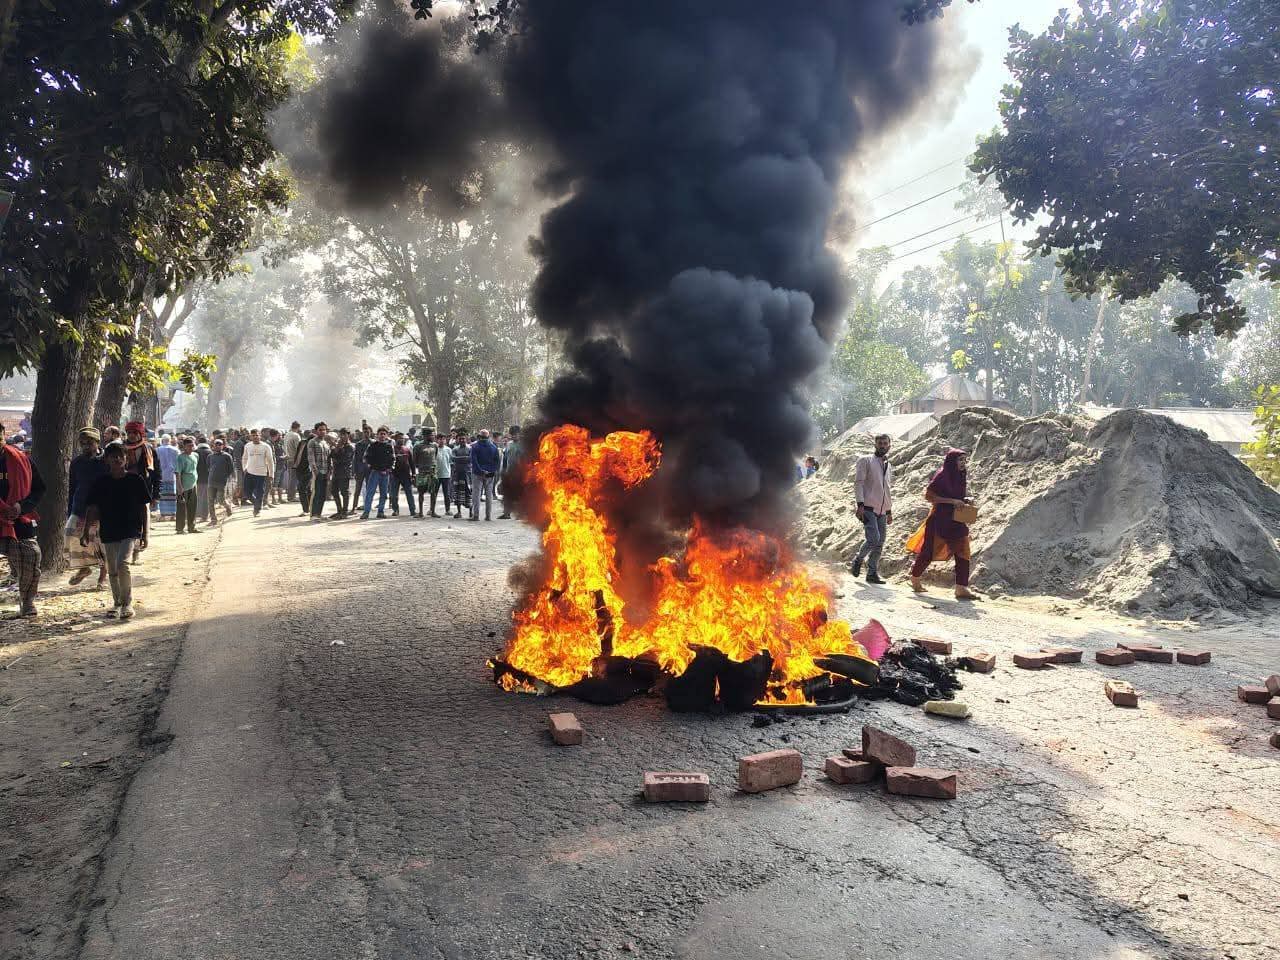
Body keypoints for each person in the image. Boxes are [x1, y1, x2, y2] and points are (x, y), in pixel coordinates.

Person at [83, 442, 151, 620]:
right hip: (109, 530)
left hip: (130, 529)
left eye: (120, 456)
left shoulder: (135, 480)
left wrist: (145, 534)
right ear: (107, 459)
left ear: (126, 459)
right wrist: (85, 532)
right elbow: (92, 508)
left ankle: (127, 603)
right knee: (112, 569)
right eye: (113, 456)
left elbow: (144, 507)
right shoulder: (101, 482)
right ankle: (117, 602)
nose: (117, 459)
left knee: (123, 564)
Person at [907, 448, 978, 600]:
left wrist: (965, 500)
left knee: (963, 550)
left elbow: (956, 495)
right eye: (960, 460)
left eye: (965, 460)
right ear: (952, 461)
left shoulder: (961, 475)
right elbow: (929, 496)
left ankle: (961, 587)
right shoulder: (942, 476)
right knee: (929, 551)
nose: (963, 463)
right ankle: (915, 577)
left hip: (956, 520)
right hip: (940, 519)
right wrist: (952, 501)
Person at [0, 421, 44, 618]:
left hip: (19, 518)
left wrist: (21, 506)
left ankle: (27, 602)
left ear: (3, 437)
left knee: (31, 558)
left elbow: (39, 488)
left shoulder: (22, 459)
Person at [849, 433, 893, 586]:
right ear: (875, 445)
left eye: (885, 443)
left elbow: (887, 489)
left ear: (889, 445)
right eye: (880, 443)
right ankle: (858, 560)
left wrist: (889, 511)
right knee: (873, 538)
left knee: (880, 542)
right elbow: (858, 483)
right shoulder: (865, 460)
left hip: (882, 510)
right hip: (867, 507)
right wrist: (860, 504)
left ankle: (872, 573)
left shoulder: (889, 464)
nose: (882, 445)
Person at [67, 427, 108, 589]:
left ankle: (102, 578)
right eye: (82, 443)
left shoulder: (105, 460)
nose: (85, 446)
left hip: (101, 508)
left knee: (102, 544)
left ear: (97, 442)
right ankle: (84, 568)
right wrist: (70, 509)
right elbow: (72, 486)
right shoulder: (76, 462)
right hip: (79, 506)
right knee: (72, 538)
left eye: (89, 443)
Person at [360, 426, 394, 520]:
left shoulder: (389, 446)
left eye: (384, 434)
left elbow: (392, 459)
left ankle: (380, 512)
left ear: (387, 435)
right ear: (377, 435)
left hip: (385, 473)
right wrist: (371, 466)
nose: (382, 435)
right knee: (370, 492)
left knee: (383, 494)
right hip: (375, 472)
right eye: (380, 434)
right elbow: (366, 458)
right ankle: (366, 512)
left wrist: (389, 468)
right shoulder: (372, 446)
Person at [469, 429, 501, 522]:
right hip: (490, 474)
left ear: (479, 436)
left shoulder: (474, 447)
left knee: (476, 494)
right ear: (488, 436)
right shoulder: (494, 447)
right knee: (489, 495)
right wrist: (491, 471)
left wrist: (481, 470)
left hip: (477, 474)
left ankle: (476, 515)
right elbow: (497, 462)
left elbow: (474, 461)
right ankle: (488, 516)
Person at [240, 428, 274, 517]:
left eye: (257, 435)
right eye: (253, 435)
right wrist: (244, 468)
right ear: (251, 436)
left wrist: (271, 474)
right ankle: (257, 504)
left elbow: (270, 461)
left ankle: (257, 510)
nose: (255, 437)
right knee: (247, 492)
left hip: (261, 473)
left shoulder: (266, 446)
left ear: (260, 436)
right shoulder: (247, 446)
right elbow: (244, 458)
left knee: (259, 492)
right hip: (249, 472)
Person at [207, 438, 235, 525]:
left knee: (220, 500)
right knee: (210, 501)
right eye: (216, 444)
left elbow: (231, 469)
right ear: (213, 446)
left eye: (220, 444)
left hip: (222, 482)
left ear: (223, 446)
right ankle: (213, 519)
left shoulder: (227, 456)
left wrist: (227, 477)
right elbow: (208, 467)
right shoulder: (210, 456)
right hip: (211, 481)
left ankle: (228, 507)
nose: (218, 446)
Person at [307, 422, 332, 521]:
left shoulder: (326, 443)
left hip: (325, 471)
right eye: (320, 430)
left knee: (322, 494)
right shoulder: (312, 442)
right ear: (316, 431)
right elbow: (310, 457)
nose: (322, 431)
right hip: (317, 472)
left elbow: (329, 458)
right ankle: (313, 515)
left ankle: (319, 514)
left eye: (324, 429)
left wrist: (330, 470)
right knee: (316, 493)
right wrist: (314, 469)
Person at [174, 436, 199, 534]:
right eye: (189, 446)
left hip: (193, 484)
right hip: (183, 485)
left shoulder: (196, 455)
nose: (191, 448)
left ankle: (191, 527)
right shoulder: (180, 457)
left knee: (192, 506)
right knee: (181, 507)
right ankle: (180, 528)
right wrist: (179, 487)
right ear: (184, 446)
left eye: (192, 446)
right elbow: (177, 473)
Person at [389, 432, 417, 517]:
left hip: (406, 476)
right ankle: (395, 510)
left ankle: (412, 510)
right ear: (395, 439)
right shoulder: (392, 449)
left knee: (409, 494)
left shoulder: (407, 450)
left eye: (402, 438)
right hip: (395, 475)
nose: (401, 440)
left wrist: (414, 474)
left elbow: (412, 463)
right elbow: (389, 462)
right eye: (399, 438)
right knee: (394, 495)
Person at [329, 428, 355, 519]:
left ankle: (344, 512)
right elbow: (332, 455)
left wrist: (338, 449)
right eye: (341, 434)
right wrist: (336, 448)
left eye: (344, 434)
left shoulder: (350, 447)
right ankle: (339, 510)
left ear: (348, 435)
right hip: (336, 472)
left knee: (344, 492)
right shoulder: (339, 445)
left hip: (344, 472)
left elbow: (344, 460)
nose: (342, 436)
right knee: (334, 491)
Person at [413, 431, 437, 518]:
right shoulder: (418, 446)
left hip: (433, 472)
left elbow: (435, 457)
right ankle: (420, 512)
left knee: (433, 493)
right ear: (425, 436)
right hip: (422, 472)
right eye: (431, 435)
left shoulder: (434, 445)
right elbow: (414, 460)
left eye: (433, 435)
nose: (433, 437)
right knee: (421, 492)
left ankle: (433, 511)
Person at [429, 433, 453, 518]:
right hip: (436, 475)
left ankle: (448, 509)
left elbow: (451, 461)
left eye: (443, 439)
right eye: (440, 439)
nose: (441, 441)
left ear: (445, 440)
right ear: (437, 440)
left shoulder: (449, 450)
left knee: (446, 493)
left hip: (446, 474)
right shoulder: (434, 449)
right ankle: (432, 509)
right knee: (433, 493)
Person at [450, 431, 472, 518]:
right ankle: (459, 512)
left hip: (467, 474)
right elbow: (453, 458)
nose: (462, 440)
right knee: (457, 492)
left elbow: (470, 459)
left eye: (463, 438)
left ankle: (471, 512)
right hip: (457, 473)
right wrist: (465, 458)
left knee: (469, 492)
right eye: (460, 439)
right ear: (457, 440)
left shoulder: (470, 449)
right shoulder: (455, 449)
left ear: (466, 439)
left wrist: (460, 459)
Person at [194, 435, 212, 522]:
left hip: (197, 478)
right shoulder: (210, 452)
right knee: (206, 497)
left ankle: (198, 514)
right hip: (208, 478)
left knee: (198, 496)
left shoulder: (195, 452)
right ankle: (205, 516)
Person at [283, 422, 302, 501]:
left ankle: (290, 495)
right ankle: (291, 496)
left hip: (288, 458)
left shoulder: (287, 435)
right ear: (298, 427)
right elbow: (299, 448)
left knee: (291, 478)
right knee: (294, 478)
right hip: (295, 459)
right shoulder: (296, 435)